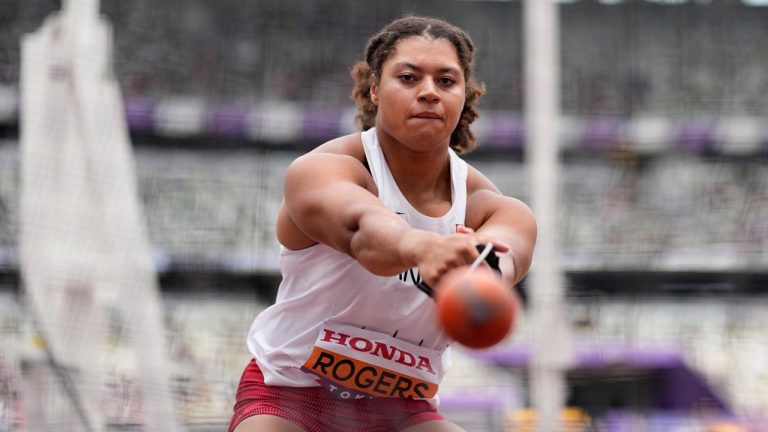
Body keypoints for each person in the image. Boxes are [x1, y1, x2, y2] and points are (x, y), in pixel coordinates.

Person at [229, 15, 537, 432]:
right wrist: (424, 248)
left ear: (465, 95)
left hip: (401, 408)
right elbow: (361, 229)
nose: (429, 92)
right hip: (289, 394)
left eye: (446, 81)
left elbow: (508, 250)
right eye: (409, 78)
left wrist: (482, 271)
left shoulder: (491, 206)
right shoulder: (323, 170)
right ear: (374, 88)